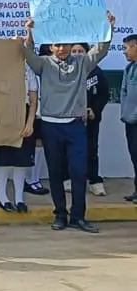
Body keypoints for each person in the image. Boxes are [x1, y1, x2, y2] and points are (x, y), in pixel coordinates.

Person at [21, 12, 115, 233]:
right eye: (57, 45)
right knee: (55, 172)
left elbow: (100, 50)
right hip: (51, 126)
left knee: (79, 171)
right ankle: (60, 214)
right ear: (51, 47)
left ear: (72, 44)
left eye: (65, 44)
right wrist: (30, 30)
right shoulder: (42, 64)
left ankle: (78, 216)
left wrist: (108, 27)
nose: (62, 49)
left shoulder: (82, 62)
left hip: (75, 126)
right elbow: (26, 51)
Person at [0, 65, 38, 213]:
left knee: (21, 161)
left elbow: (33, 100)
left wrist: (30, 123)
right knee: (2, 159)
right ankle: (2, 198)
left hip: (23, 114)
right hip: (1, 116)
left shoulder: (29, 71)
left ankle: (19, 198)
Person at [61, 43, 109, 196]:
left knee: (91, 149)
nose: (77, 54)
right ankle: (67, 179)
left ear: (87, 53)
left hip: (91, 119)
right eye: (74, 51)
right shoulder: (64, 71)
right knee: (67, 150)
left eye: (80, 51)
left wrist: (94, 109)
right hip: (70, 119)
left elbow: (104, 95)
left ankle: (94, 181)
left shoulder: (96, 72)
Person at [24, 44, 51, 196]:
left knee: (40, 146)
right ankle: (28, 180)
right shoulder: (31, 70)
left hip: (47, 114)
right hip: (31, 113)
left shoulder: (53, 70)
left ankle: (35, 178)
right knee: (29, 147)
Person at [121, 34, 137, 203]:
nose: (124, 52)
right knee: (134, 156)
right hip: (130, 121)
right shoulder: (129, 68)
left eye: (126, 48)